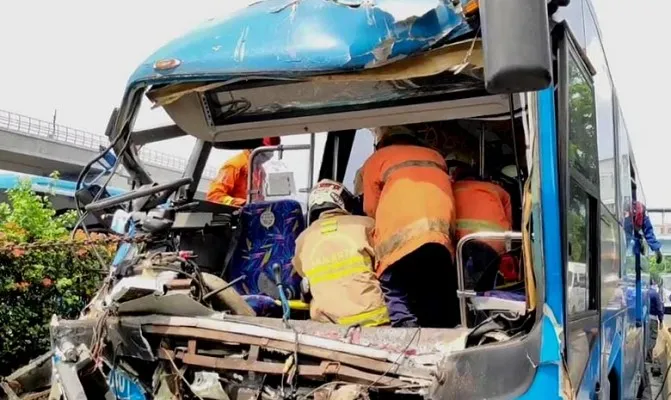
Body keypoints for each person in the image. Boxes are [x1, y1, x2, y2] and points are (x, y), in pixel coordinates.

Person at [361, 125, 458, 328]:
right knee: (433, 289)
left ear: (381, 142)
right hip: (440, 236)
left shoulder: (377, 159)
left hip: (399, 237)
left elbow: (370, 208)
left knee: (393, 285)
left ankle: (406, 333)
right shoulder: (436, 156)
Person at [292, 180, 390, 327]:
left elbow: (302, 275)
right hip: (375, 318)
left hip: (327, 324)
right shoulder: (366, 225)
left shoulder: (303, 239)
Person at [451, 164, 514, 291]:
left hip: (461, 241)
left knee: (458, 284)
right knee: (485, 284)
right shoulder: (496, 189)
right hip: (493, 241)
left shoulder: (451, 189)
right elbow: (509, 222)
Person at [206, 137, 281, 206]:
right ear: (254, 148)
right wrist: (243, 204)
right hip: (234, 215)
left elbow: (258, 198)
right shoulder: (235, 165)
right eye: (264, 155)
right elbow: (214, 195)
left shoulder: (260, 171)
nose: (266, 159)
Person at [648, 278, 664, 362]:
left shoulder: (644, 292)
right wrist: (661, 320)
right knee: (652, 337)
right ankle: (649, 357)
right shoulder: (655, 294)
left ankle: (647, 356)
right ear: (653, 282)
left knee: (647, 337)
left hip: (645, 319)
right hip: (653, 319)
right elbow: (659, 308)